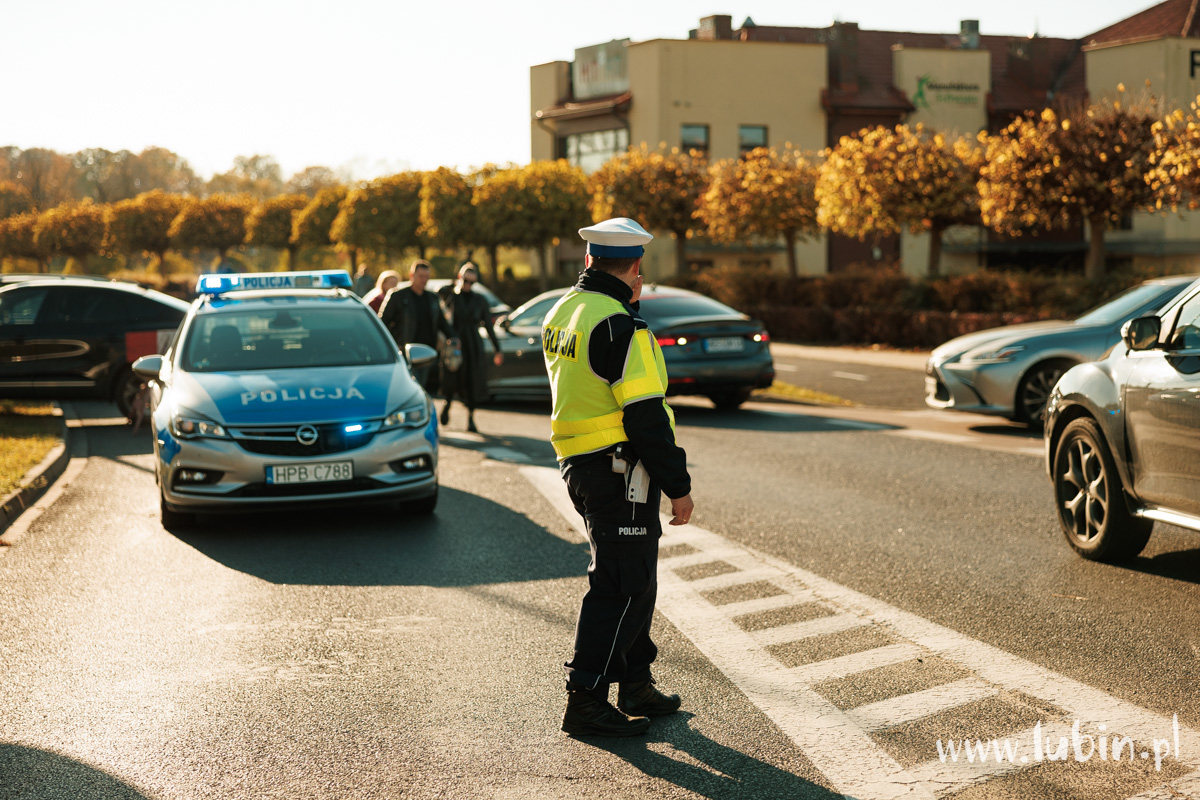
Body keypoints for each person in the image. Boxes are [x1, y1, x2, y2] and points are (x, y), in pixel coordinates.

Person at [543, 217, 694, 738]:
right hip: (619, 469)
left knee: (636, 578)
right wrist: (679, 486)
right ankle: (586, 699)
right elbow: (645, 416)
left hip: (579, 462)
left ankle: (635, 682)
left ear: (589, 260)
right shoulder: (622, 326)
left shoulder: (565, 309)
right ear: (635, 269)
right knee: (621, 586)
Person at [437, 263, 503, 433]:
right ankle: (447, 404)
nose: (468, 285)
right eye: (466, 280)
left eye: (472, 282)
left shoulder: (480, 300)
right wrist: (455, 284)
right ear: (460, 278)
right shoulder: (452, 295)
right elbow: (440, 291)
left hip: (473, 343)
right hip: (455, 341)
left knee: (472, 380)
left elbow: (488, 326)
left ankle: (471, 418)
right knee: (451, 376)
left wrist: (497, 349)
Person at [378, 259, 456, 393]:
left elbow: (441, 323)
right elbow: (382, 324)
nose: (424, 280)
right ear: (412, 276)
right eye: (421, 276)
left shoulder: (432, 298)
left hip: (427, 354)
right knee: (406, 390)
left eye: (426, 276)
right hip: (405, 354)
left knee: (420, 389)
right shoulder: (398, 297)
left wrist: (453, 337)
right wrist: (393, 345)